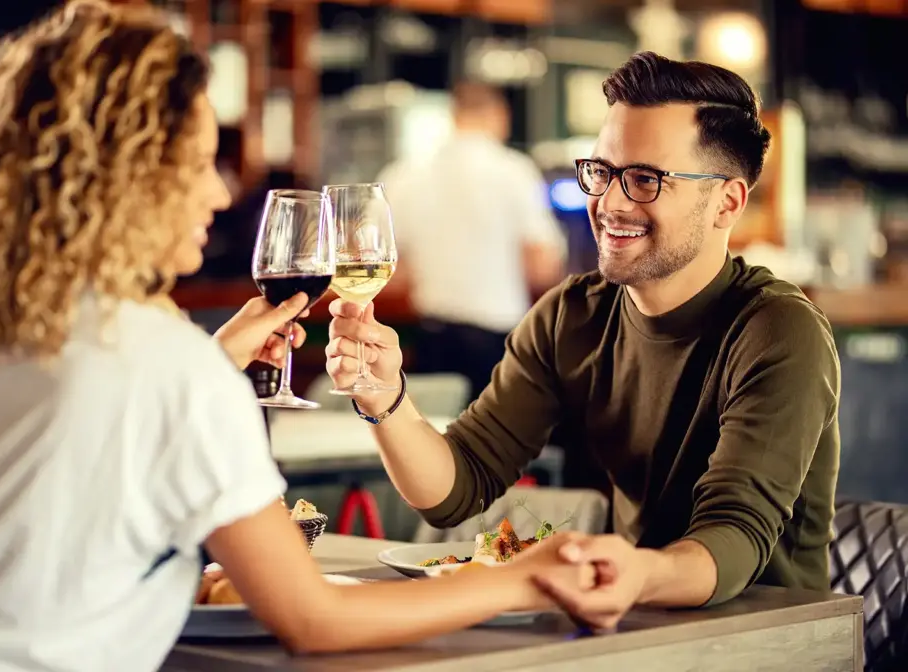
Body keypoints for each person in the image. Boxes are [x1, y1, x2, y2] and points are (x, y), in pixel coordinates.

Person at [0, 2, 594, 670]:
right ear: (124, 179)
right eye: (195, 164)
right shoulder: (163, 363)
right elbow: (314, 619)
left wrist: (213, 358)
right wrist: (522, 581)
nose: (218, 194)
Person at [327, 51, 841, 629]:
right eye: (603, 172)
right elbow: (457, 486)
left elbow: (734, 537)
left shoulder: (777, 330)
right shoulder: (571, 316)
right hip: (629, 626)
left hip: (771, 639)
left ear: (727, 202)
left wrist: (633, 573)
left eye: (645, 179)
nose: (611, 202)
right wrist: (385, 399)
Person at [377, 82, 567, 402]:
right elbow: (541, 266)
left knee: (436, 438)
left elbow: (392, 271)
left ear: (452, 115)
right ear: (499, 116)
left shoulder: (405, 174)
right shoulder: (513, 170)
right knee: (495, 445)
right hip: (497, 340)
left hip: (432, 335)